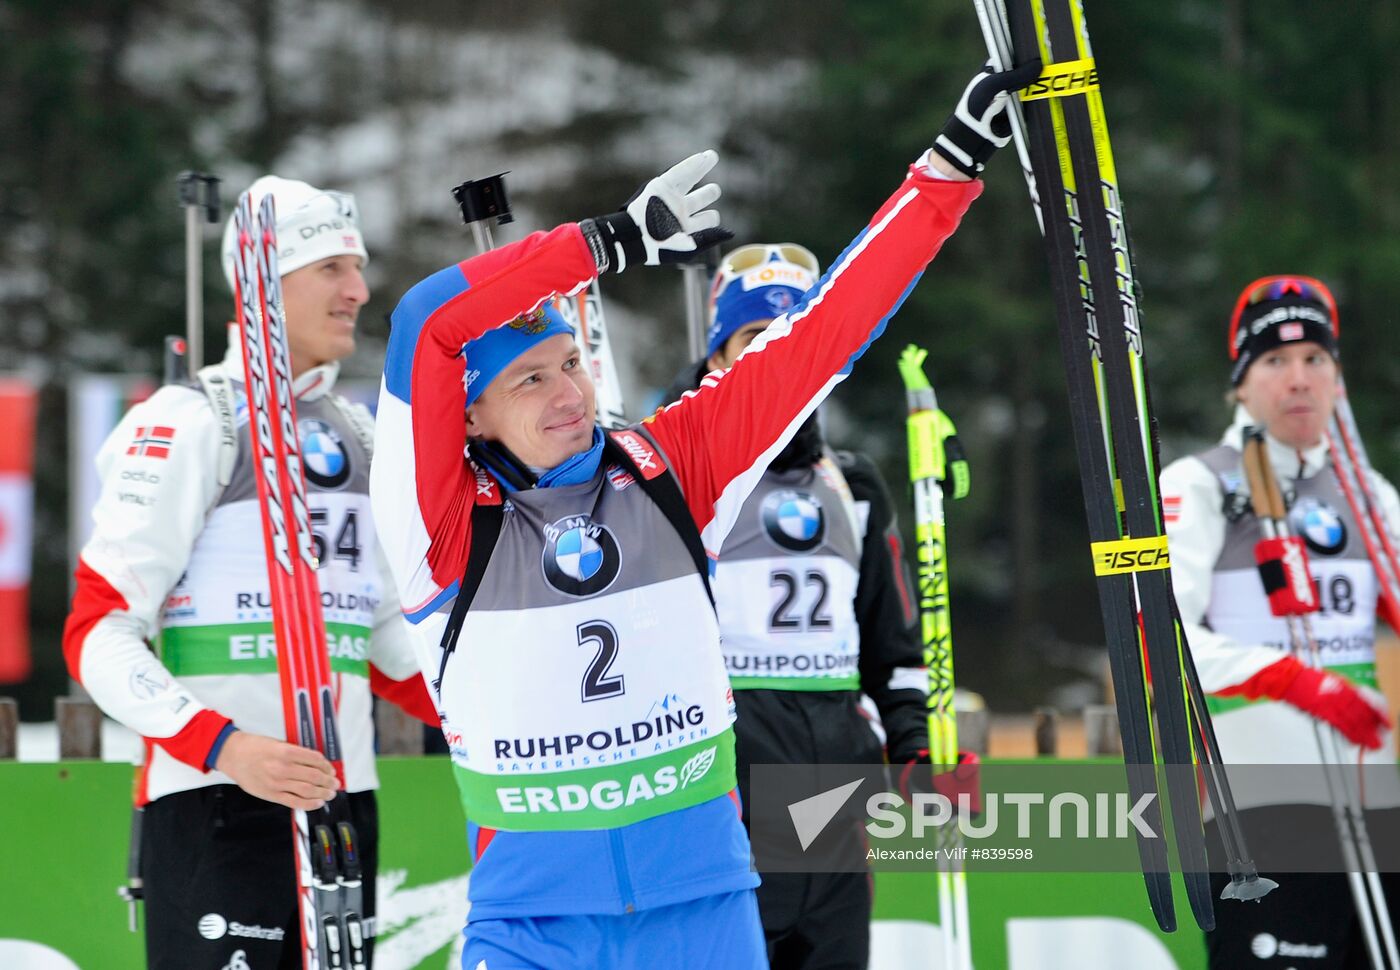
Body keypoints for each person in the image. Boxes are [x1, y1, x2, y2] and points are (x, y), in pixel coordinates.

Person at [372, 60, 1037, 970]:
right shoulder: (438, 529)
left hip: (705, 912)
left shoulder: (670, 468)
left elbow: (826, 332)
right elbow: (424, 322)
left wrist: (948, 172)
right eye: (529, 379)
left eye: (572, 362)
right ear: (471, 412)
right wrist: (601, 243)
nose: (568, 392)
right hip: (533, 928)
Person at [62, 176, 436, 970]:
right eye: (332, 269)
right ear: (267, 280)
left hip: (342, 804)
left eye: (359, 267)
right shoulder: (190, 420)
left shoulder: (363, 436)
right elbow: (99, 631)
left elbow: (388, 640)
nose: (359, 291)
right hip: (218, 799)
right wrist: (225, 747)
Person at [661, 243, 966, 968]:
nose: (774, 362)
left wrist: (917, 748)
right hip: (724, 796)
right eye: (752, 343)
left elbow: (891, 648)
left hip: (836, 804)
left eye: (792, 341)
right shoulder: (671, 476)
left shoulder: (852, 487)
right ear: (717, 357)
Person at [1161, 275, 1400, 969]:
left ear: (1337, 378)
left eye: (1315, 360)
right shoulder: (1197, 483)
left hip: (1372, 809)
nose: (1298, 380)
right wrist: (1297, 680)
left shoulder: (1367, 491)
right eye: (1274, 362)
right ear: (1240, 382)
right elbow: (1162, 643)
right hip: (1262, 811)